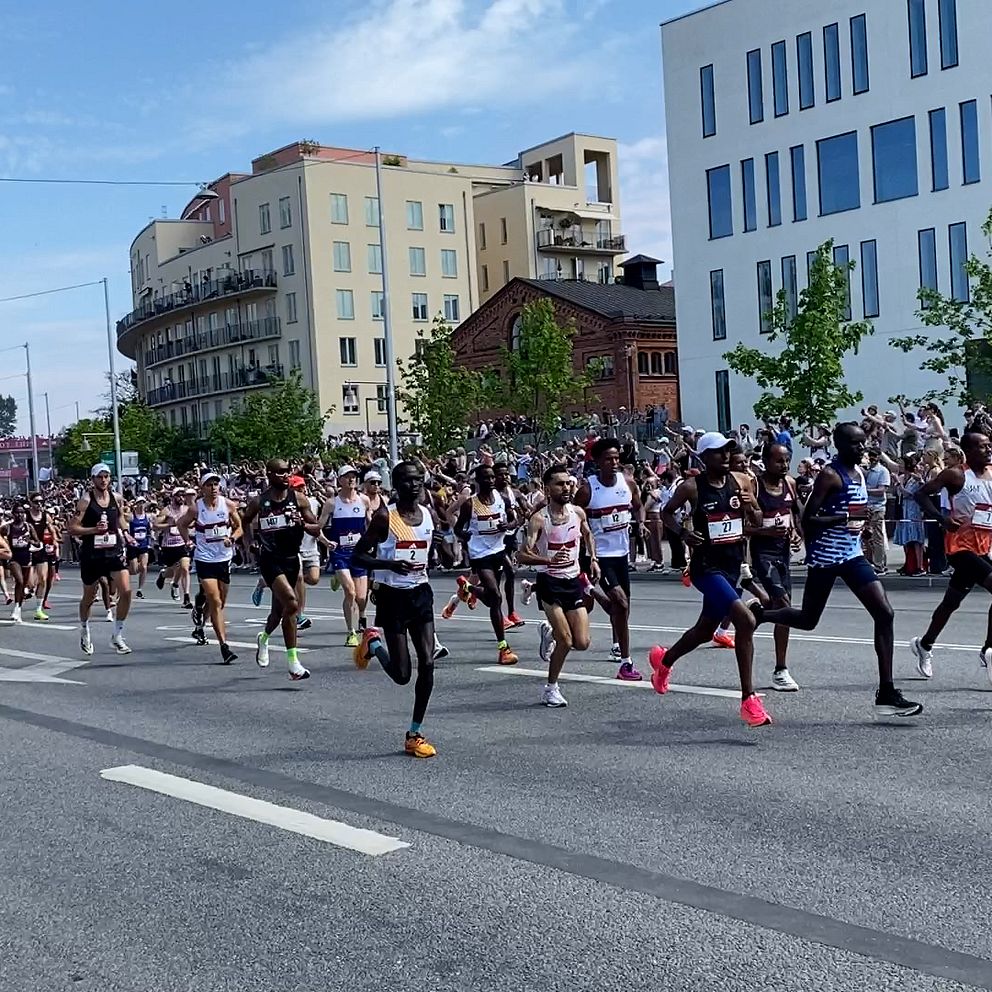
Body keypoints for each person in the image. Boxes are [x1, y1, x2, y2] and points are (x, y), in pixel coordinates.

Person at [754, 423, 923, 718]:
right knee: (807, 620)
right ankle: (758, 615)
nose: (862, 448)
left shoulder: (859, 473)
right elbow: (810, 519)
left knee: (884, 613)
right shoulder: (830, 475)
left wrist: (861, 529)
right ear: (841, 446)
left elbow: (853, 513)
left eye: (864, 443)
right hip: (825, 558)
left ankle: (886, 692)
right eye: (856, 444)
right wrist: (844, 517)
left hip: (852, 554)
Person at [651, 432, 773, 727]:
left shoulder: (742, 481)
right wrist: (682, 533)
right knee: (745, 620)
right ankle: (749, 700)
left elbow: (757, 519)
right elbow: (666, 514)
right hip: (707, 568)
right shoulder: (692, 487)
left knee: (705, 631)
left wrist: (750, 506)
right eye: (719, 452)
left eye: (729, 451)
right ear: (704, 457)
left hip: (731, 566)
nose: (726, 456)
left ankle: (664, 662)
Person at [351, 461, 440, 758]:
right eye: (406, 481)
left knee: (428, 662)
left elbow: (428, 551)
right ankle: (373, 643)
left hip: (421, 594)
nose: (413, 486)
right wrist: (390, 564)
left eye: (418, 481)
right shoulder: (384, 517)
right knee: (403, 675)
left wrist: (435, 550)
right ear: (396, 485)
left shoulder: (428, 515)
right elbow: (359, 556)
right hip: (393, 598)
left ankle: (414, 733)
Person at [909, 432, 992, 681]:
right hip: (960, 547)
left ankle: (925, 644)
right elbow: (921, 494)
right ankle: (988, 650)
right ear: (969, 450)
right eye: (982, 447)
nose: (988, 450)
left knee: (951, 602)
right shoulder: (956, 474)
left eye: (990, 446)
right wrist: (942, 518)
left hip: (985, 546)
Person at [517, 465, 598, 707]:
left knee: (582, 642)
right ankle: (551, 689)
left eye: (568, 483)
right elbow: (523, 555)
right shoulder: (539, 519)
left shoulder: (578, 513)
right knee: (566, 641)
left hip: (572, 580)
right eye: (559, 484)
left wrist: (593, 559)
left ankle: (548, 631)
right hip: (549, 582)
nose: (566, 488)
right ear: (547, 488)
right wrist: (546, 560)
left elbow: (588, 534)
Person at [240, 458, 321, 681]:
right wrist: (249, 543)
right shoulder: (260, 501)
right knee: (293, 604)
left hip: (291, 558)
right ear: (270, 474)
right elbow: (244, 521)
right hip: (269, 559)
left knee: (278, 613)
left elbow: (316, 529)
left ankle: (264, 638)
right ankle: (293, 663)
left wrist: (302, 523)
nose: (285, 476)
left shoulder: (300, 499)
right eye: (280, 472)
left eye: (287, 472)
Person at [575, 438, 646, 680]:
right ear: (597, 462)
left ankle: (617, 644)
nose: (614, 462)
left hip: (621, 554)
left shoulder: (627, 483)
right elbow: (573, 517)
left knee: (620, 607)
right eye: (608, 459)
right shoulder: (587, 489)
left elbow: (638, 505)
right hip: (599, 557)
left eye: (617, 458)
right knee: (621, 602)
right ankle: (626, 664)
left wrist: (642, 523)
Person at [450, 464, 519, 665]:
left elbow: (515, 520)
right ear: (478, 482)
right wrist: (465, 536)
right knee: (495, 598)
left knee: (507, 579)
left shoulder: (502, 498)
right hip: (480, 554)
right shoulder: (470, 504)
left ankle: (469, 587)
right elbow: (458, 528)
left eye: (492, 477)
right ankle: (503, 648)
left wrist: (508, 525)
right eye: (486, 478)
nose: (490, 481)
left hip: (498, 550)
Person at [748, 443, 802, 691]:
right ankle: (781, 669)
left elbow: (794, 514)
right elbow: (741, 526)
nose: (784, 466)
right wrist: (765, 530)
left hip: (783, 553)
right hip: (763, 554)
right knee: (785, 606)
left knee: (782, 606)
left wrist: (796, 533)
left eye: (787, 461)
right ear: (766, 461)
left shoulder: (790, 484)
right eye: (779, 461)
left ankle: (756, 612)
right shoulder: (754, 486)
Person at [178, 470, 242, 664]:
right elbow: (181, 524)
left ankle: (200, 622)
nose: (213, 488)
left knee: (220, 602)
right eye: (209, 484)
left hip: (223, 558)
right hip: (205, 558)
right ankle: (224, 646)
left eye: (216, 484)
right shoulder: (196, 509)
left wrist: (232, 538)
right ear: (202, 488)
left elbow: (239, 527)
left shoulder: (228, 504)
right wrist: (188, 541)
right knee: (214, 600)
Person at [68, 463, 132, 656]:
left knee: (127, 591)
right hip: (92, 554)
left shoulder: (116, 498)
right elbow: (72, 528)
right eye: (99, 477)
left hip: (113, 551)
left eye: (106, 477)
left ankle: (117, 635)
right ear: (93, 479)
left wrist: (126, 533)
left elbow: (120, 518)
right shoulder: (86, 501)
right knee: (88, 597)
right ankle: (85, 629)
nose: (103, 480)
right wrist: (94, 530)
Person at [317, 465, 370, 647]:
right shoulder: (332, 503)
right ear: (339, 480)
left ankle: (362, 616)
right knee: (351, 592)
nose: (351, 479)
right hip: (340, 553)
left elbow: (371, 526)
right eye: (347, 477)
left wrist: (371, 543)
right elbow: (318, 528)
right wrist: (326, 543)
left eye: (354, 476)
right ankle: (351, 632)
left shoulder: (364, 501)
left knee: (362, 598)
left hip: (358, 554)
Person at [494, 461, 526, 629]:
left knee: (509, 575)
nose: (505, 477)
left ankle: (511, 612)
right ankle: (502, 615)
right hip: (493, 543)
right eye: (500, 474)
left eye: (506, 473)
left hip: (509, 540)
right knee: (505, 575)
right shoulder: (492, 496)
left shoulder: (514, 493)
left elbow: (523, 513)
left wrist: (527, 514)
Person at [293, 474, 323, 631]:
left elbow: (317, 526)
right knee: (298, 578)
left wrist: (324, 541)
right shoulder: (288, 505)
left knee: (313, 579)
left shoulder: (312, 502)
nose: (302, 489)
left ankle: (272, 582)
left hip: (310, 547)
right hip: (294, 548)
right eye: (298, 488)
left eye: (303, 486)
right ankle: (300, 615)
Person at [154, 488, 193, 608]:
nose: (181, 498)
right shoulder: (167, 511)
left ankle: (186, 597)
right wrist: (169, 524)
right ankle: (163, 575)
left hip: (182, 543)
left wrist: (186, 525)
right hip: (169, 546)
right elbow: (155, 525)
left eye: (183, 496)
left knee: (185, 567)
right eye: (178, 496)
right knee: (173, 571)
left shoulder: (186, 510)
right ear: (173, 497)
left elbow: (193, 522)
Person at [1, 503, 39, 623]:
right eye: (17, 512)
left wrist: (30, 541)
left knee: (23, 585)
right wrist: (4, 546)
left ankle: (18, 608)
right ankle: (17, 608)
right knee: (20, 580)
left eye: (22, 512)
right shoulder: (7, 527)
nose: (20, 515)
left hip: (26, 556)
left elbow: (37, 542)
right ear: (13, 514)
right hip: (13, 557)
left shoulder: (28, 527)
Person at [862, 448, 890, 574]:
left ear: (878, 457)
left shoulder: (882, 471)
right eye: (869, 456)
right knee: (866, 537)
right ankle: (869, 561)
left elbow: (881, 490)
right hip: (866, 508)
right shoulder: (866, 471)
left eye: (873, 456)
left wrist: (866, 490)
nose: (871, 458)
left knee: (877, 537)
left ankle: (880, 565)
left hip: (877, 507)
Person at [125, 494, 152, 598]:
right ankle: (122, 572)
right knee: (134, 570)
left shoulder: (147, 516)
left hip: (143, 545)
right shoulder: (131, 516)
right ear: (136, 505)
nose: (141, 505)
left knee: (144, 567)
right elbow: (121, 516)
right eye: (139, 503)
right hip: (133, 546)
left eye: (143, 503)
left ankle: (140, 589)